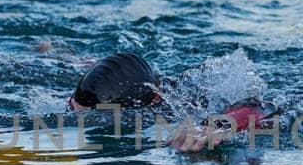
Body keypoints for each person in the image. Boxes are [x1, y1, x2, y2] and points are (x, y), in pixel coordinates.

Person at [67, 52, 274, 152]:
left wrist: (218, 125)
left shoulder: (190, 101)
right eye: (72, 109)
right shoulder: (84, 89)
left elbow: (261, 106)